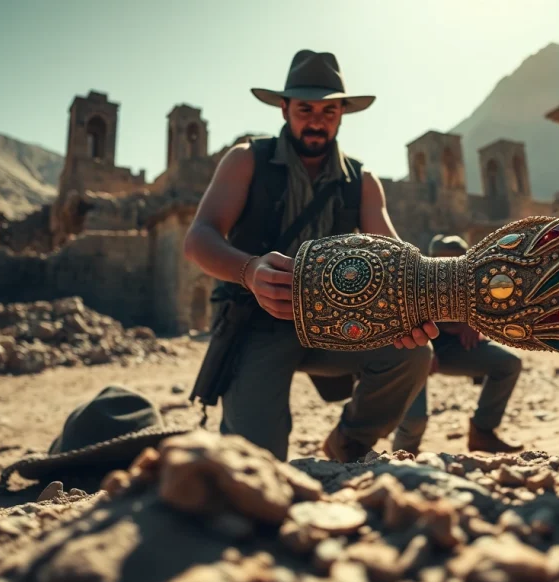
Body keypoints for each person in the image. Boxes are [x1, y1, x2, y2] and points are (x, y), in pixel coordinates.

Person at [183, 50, 437, 463]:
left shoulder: (363, 182)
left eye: (329, 110)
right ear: (284, 109)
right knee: (256, 464)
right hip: (255, 323)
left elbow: (399, 263)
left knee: (412, 352)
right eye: (305, 109)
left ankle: (349, 442)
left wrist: (431, 304)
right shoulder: (247, 160)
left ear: (342, 114)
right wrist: (249, 271)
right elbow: (199, 238)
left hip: (336, 324)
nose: (317, 121)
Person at [392, 234, 524, 455]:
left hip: (455, 350)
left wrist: (474, 322)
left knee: (508, 364)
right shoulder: (412, 283)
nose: (447, 267)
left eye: (455, 260)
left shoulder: (478, 281)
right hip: (417, 351)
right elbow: (403, 327)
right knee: (414, 420)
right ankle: (402, 458)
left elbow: (500, 310)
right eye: (441, 260)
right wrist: (427, 350)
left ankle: (482, 433)